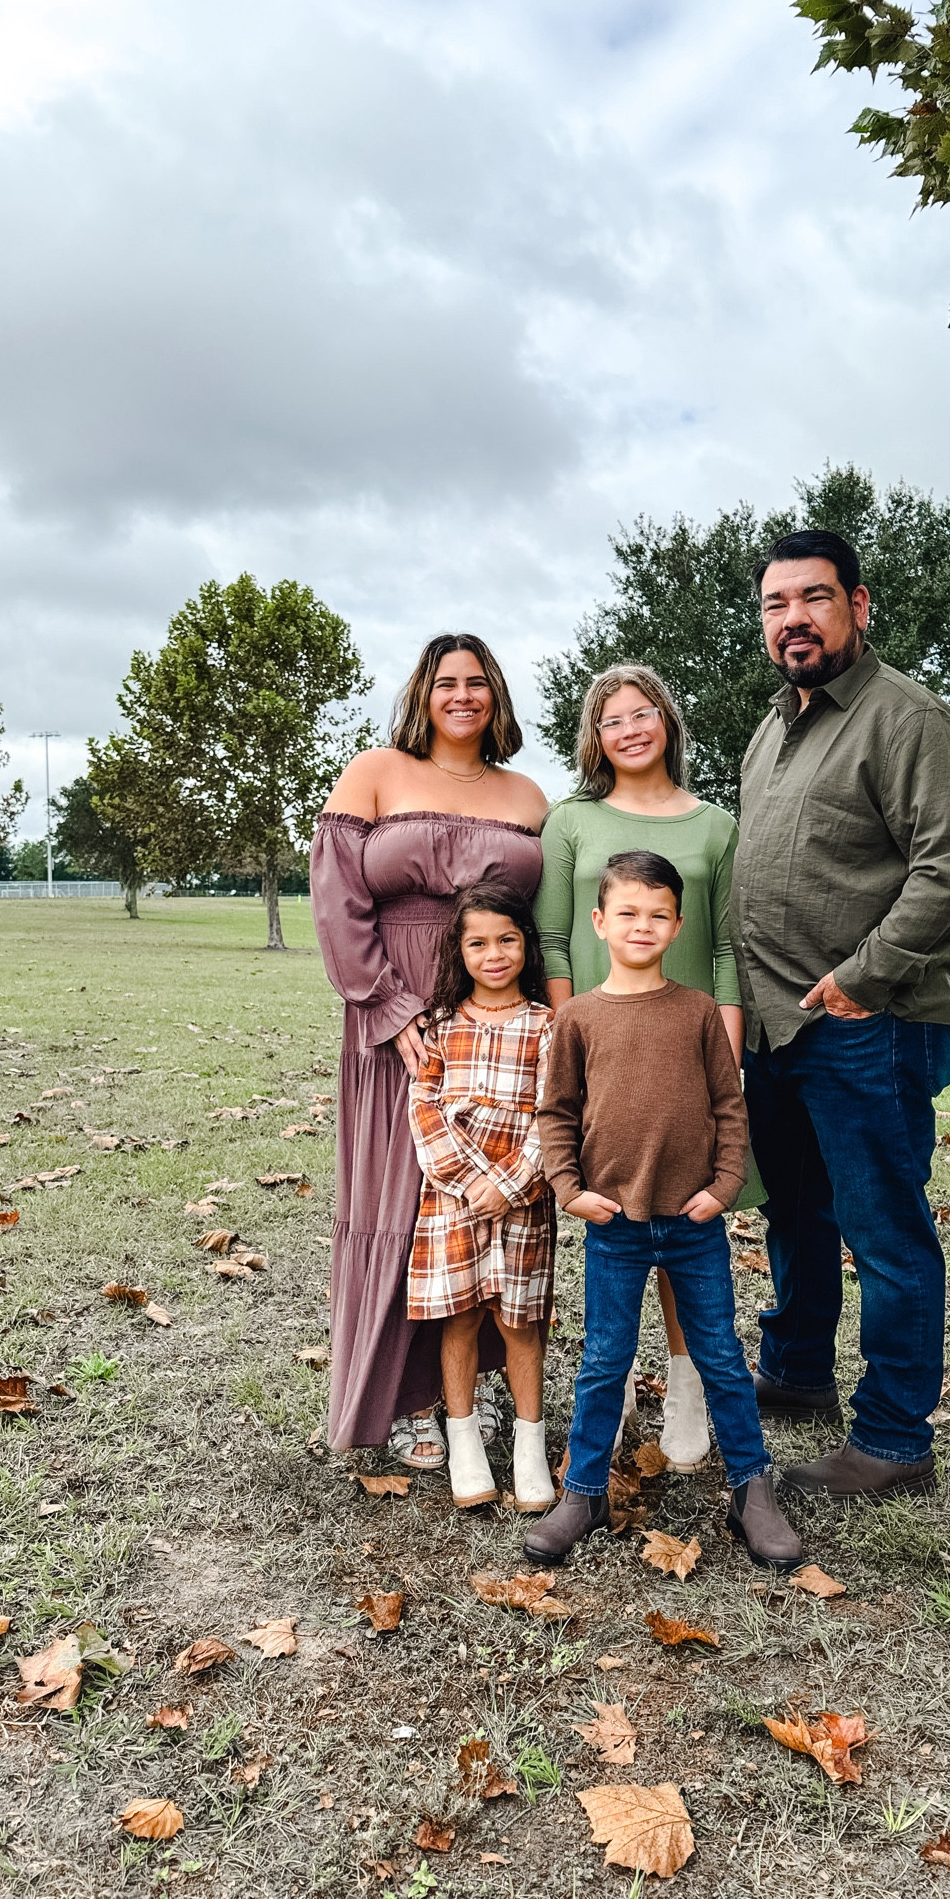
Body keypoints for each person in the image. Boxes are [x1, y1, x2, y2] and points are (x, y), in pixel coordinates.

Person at [732, 527, 950, 1501]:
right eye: (776, 603)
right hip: (779, 1027)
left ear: (859, 604)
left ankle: (891, 1440)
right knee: (796, 1216)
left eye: (814, 596)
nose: (793, 618)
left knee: (882, 1230)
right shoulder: (775, 726)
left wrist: (866, 974)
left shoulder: (906, 720)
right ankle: (798, 1373)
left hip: (871, 1024)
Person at [523, 850, 802, 1569]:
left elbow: (727, 1106)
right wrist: (569, 1187)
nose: (641, 926)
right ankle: (582, 1492)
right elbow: (555, 1113)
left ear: (677, 926)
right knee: (603, 1361)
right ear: (599, 922)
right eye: (627, 913)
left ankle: (751, 1489)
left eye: (657, 915)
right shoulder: (579, 1018)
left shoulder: (699, 1012)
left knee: (720, 1357)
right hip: (614, 1223)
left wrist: (724, 1184)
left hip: (692, 1222)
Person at [311, 634, 548, 1465]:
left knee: (482, 1206)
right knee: (401, 1201)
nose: (462, 695)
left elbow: (542, 928)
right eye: (446, 682)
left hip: (495, 1015)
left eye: (477, 682)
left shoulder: (528, 795)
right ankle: (400, 1401)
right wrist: (387, 1003)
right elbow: (338, 900)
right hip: (393, 1014)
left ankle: (465, 1399)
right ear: (423, 692)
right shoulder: (374, 771)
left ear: (497, 698)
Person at [536, 664, 748, 1473]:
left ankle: (689, 1385)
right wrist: (574, 1041)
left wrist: (725, 1055)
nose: (630, 728)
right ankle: (616, 1378)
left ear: (668, 722)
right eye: (612, 718)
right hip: (603, 1048)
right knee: (620, 1214)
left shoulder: (714, 826)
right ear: (595, 737)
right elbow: (553, 940)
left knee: (686, 1209)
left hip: (693, 1044)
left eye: (644, 712)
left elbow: (728, 948)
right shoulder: (571, 823)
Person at [407, 884, 556, 1512]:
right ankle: (463, 1441)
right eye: (478, 943)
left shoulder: (549, 1025)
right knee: (461, 1315)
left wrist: (512, 1183)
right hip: (453, 1198)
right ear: (459, 952)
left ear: (526, 944)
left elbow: (557, 1115)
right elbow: (424, 1107)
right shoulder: (440, 1027)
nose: (494, 954)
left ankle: (529, 1445)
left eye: (507, 939)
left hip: (523, 1198)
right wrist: (472, 1183)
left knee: (521, 1322)